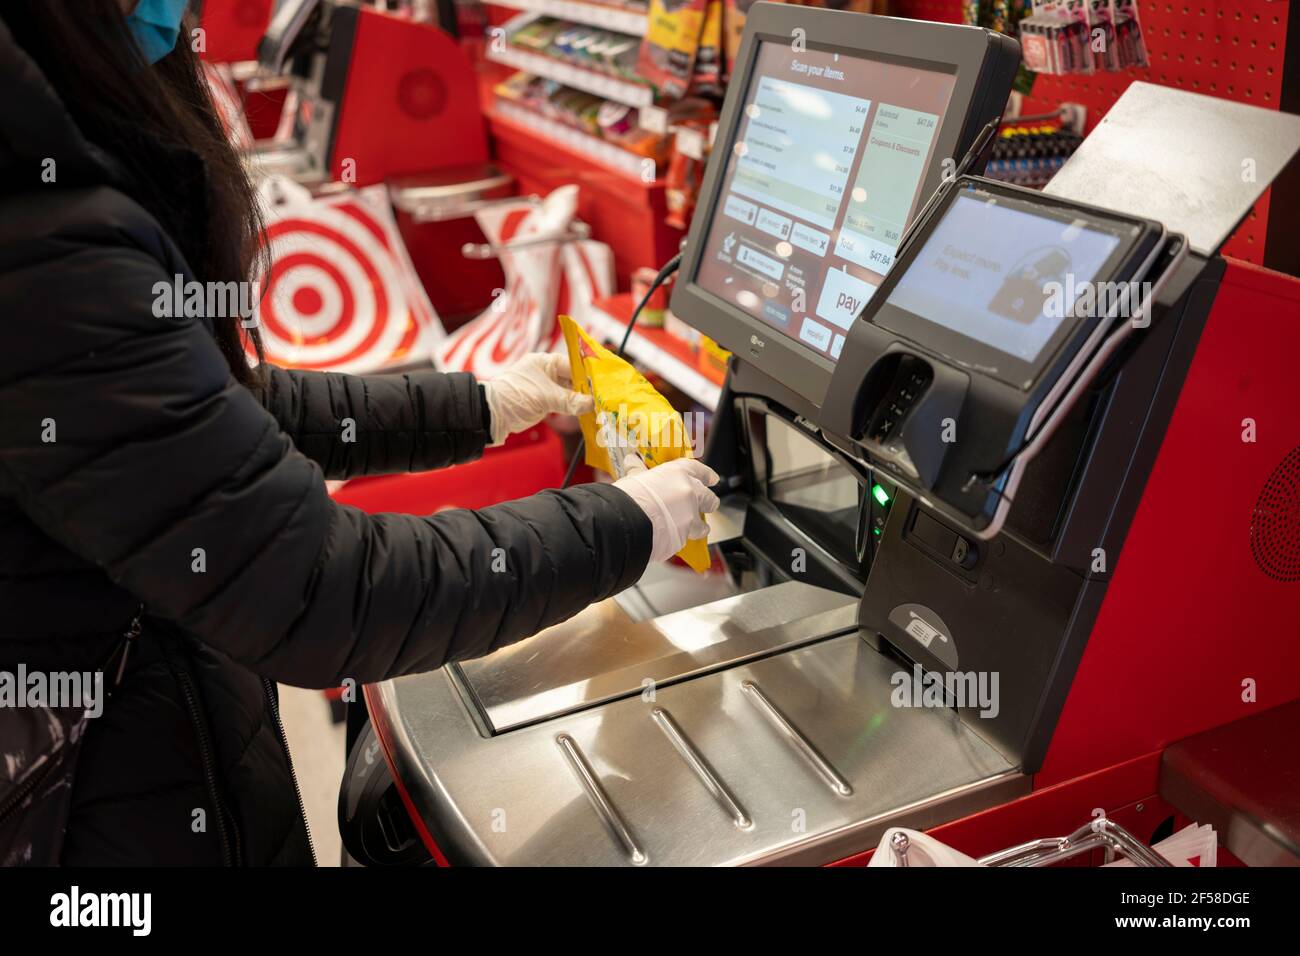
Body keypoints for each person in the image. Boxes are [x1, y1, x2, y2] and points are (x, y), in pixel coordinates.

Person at [0, 0, 719, 865]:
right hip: (97, 812)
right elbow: (322, 590)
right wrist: (628, 520)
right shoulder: (36, 234)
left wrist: (478, 403)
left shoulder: (53, 163)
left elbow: (202, 420)